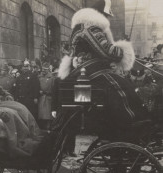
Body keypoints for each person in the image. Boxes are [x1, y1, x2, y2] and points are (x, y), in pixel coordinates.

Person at [56, 0, 149, 150]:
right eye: (107, 15)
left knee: (121, 83)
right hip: (91, 72)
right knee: (120, 86)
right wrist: (124, 50)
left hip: (86, 71)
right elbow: (107, 51)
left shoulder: (81, 26)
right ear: (101, 14)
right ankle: (132, 123)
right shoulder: (91, 27)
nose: (109, 19)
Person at [38, 62, 56, 130]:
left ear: (48, 70)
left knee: (48, 114)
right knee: (41, 113)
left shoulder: (52, 78)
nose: (43, 71)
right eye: (42, 69)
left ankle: (49, 125)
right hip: (41, 97)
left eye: (45, 70)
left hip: (48, 97)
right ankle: (42, 126)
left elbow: (54, 88)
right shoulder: (39, 77)